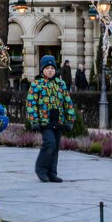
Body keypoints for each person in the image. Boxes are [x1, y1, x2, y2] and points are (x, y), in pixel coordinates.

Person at [25, 55, 76, 183]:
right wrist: (34, 120)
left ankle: (52, 173)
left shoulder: (60, 83)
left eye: (52, 67)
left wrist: (70, 119)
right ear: (42, 70)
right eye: (47, 68)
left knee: (56, 147)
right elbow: (31, 104)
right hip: (44, 121)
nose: (50, 70)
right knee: (50, 143)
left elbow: (67, 102)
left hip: (57, 120)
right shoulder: (37, 84)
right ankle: (40, 169)